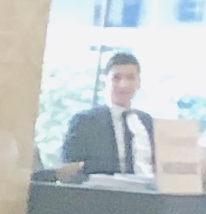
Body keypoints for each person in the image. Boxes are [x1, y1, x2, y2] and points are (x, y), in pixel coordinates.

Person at [54, 50, 158, 184]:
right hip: (101, 193)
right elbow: (69, 170)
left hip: (148, 193)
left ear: (139, 82)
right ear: (105, 82)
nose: (123, 84)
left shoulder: (148, 123)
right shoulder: (85, 121)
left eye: (130, 78)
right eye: (116, 78)